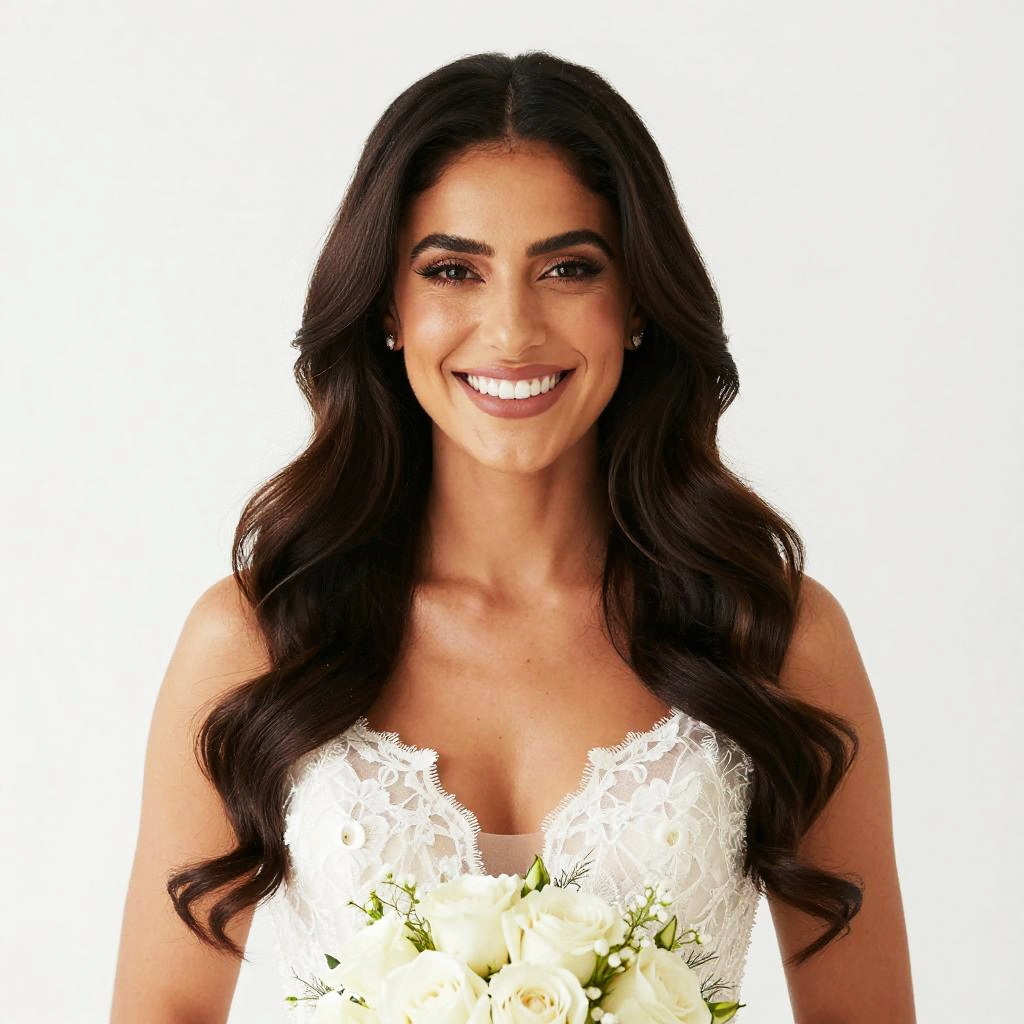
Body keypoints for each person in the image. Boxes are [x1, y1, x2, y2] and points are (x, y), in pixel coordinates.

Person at [110, 51, 916, 1023]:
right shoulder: (254, 639)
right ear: (387, 309)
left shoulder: (774, 637)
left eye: (568, 268)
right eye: (453, 269)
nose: (510, 330)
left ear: (638, 307)